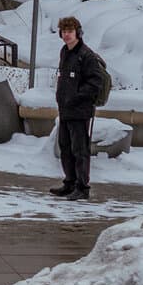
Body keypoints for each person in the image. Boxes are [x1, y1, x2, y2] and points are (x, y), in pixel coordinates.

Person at [54, 15, 106, 202]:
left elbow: (95, 83)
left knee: (80, 150)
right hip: (65, 110)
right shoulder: (65, 52)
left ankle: (82, 187)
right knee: (65, 148)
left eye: (70, 31)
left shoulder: (86, 55)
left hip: (80, 110)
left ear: (78, 33)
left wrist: (76, 97)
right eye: (64, 31)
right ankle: (70, 182)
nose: (67, 35)